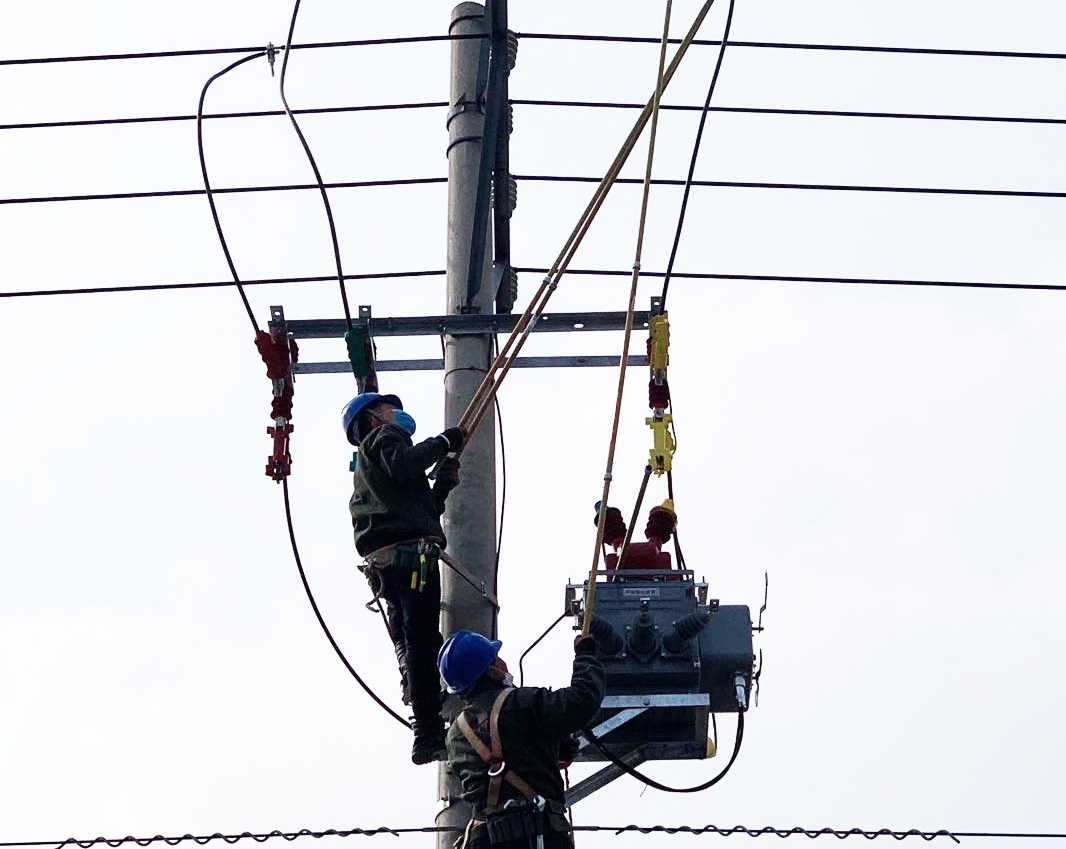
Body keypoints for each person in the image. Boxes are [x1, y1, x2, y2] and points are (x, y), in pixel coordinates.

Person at [342, 391, 466, 765]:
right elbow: (405, 463)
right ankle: (428, 731)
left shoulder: (373, 470)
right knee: (423, 641)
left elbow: (420, 509)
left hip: (389, 561)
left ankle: (423, 702)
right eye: (386, 409)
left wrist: (441, 485)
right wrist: (443, 442)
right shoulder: (382, 439)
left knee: (412, 640)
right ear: (371, 419)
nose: (395, 414)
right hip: (408, 557)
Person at [438, 629, 606, 849]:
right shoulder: (520, 704)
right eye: (497, 659)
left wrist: (551, 747)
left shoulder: (456, 735)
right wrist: (586, 656)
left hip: (486, 839)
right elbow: (582, 701)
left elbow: (507, 759)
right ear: (492, 670)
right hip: (533, 834)